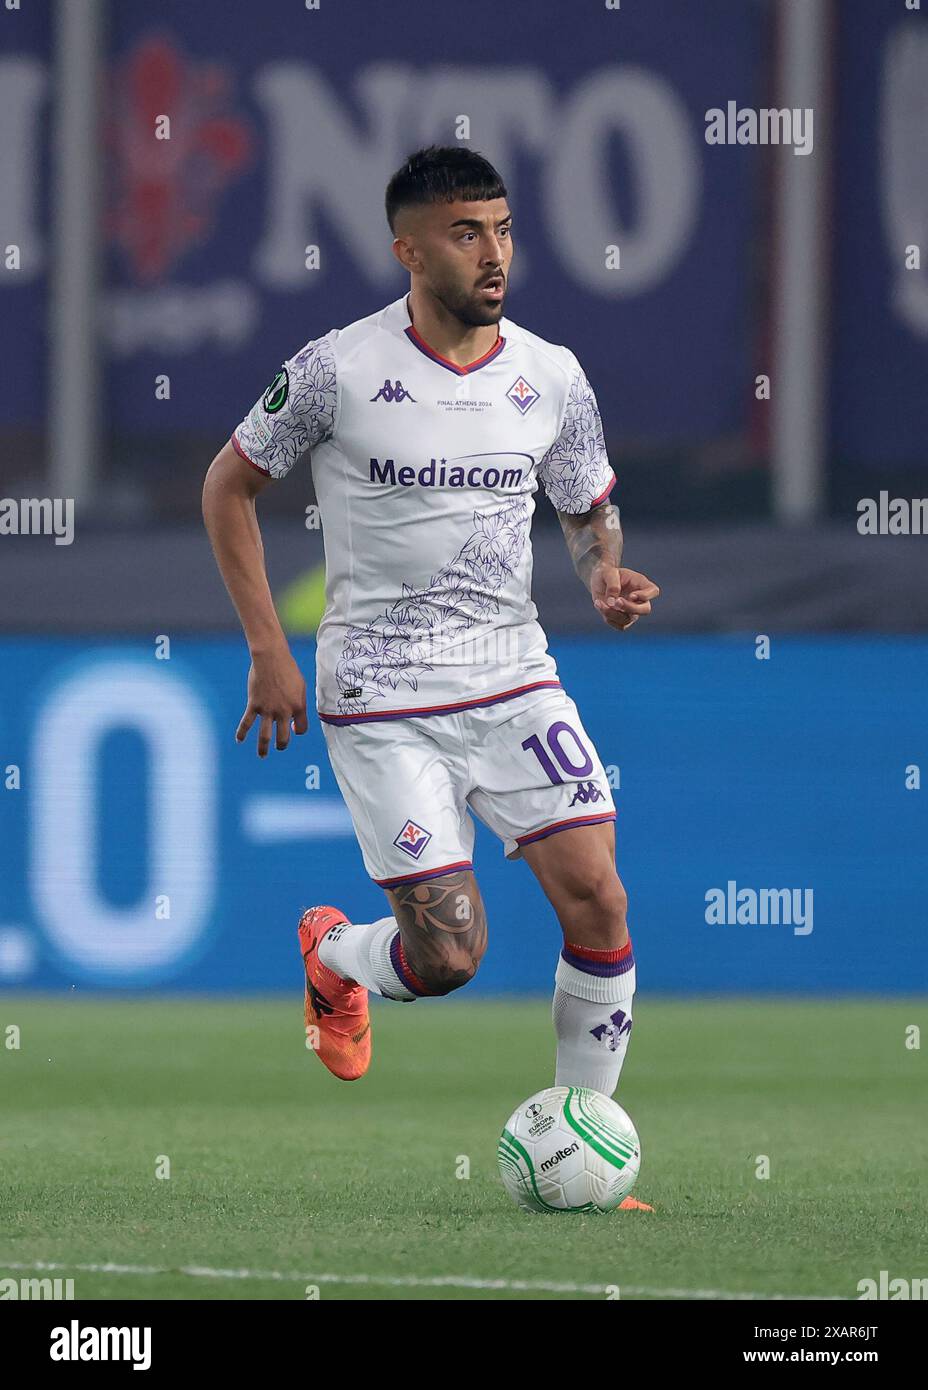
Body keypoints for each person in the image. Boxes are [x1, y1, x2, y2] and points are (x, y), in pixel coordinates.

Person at [203, 148, 660, 1181]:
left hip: (512, 676)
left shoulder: (551, 373)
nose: (492, 252)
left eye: (500, 228)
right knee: (450, 959)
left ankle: (585, 1139)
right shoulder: (335, 369)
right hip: (381, 695)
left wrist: (604, 574)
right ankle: (332, 955)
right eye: (466, 232)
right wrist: (268, 648)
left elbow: (584, 503)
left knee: (599, 899)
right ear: (407, 248)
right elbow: (225, 489)